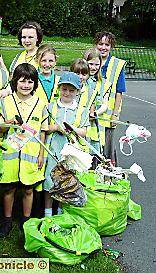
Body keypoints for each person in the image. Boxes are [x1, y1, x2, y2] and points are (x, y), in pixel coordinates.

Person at [0, 63, 48, 237]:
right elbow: (1, 130)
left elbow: (43, 131)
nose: (26, 85)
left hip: (32, 154)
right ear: (15, 82)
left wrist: (41, 153)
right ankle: (7, 221)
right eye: (22, 81)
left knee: (28, 189)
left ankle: (26, 220)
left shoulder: (41, 103)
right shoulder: (6, 101)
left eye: (30, 82)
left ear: (35, 83)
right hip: (10, 153)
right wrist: (8, 123)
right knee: (9, 188)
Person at [44, 72, 89, 217]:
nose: (67, 93)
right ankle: (48, 213)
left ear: (77, 91)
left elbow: (85, 131)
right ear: (59, 89)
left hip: (71, 153)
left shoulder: (81, 110)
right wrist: (57, 128)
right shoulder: (51, 107)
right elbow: (45, 127)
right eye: (64, 89)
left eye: (71, 90)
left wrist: (72, 129)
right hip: (53, 150)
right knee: (51, 181)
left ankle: (61, 213)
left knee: (67, 182)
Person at [94, 31, 126, 164]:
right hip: (91, 115)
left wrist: (115, 114)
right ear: (95, 45)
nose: (103, 47)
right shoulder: (91, 61)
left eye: (107, 44)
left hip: (108, 116)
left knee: (107, 148)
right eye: (100, 44)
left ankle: (108, 177)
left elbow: (119, 91)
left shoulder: (117, 65)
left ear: (111, 46)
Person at [83, 48, 111, 159]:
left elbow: (105, 104)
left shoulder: (104, 83)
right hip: (79, 126)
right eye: (90, 64)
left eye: (97, 64)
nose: (94, 67)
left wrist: (95, 113)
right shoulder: (79, 79)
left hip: (94, 127)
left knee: (93, 158)